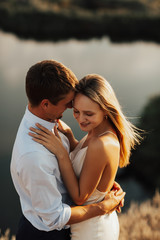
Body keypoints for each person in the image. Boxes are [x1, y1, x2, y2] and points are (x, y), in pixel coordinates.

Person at [10, 60, 125, 240]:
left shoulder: (52, 122)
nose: (73, 110)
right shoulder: (33, 155)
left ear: (105, 110)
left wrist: (104, 183)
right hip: (46, 234)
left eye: (87, 113)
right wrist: (103, 205)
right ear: (46, 104)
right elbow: (55, 216)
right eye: (70, 105)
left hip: (88, 227)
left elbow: (90, 159)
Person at [29, 73, 141, 239]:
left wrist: (61, 153)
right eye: (76, 111)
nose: (81, 119)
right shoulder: (98, 130)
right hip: (88, 223)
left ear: (105, 110)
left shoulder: (101, 143)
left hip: (93, 230)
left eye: (88, 114)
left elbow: (80, 197)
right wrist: (71, 139)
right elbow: (86, 160)